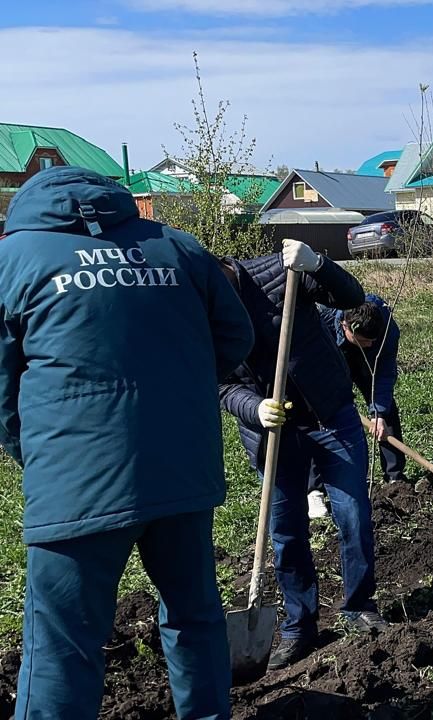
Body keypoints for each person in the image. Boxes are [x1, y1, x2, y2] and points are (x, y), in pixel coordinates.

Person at [0, 167, 254, 718]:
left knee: (62, 644)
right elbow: (236, 337)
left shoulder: (13, 260)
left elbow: (1, 384)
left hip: (75, 482)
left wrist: (32, 453)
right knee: (195, 617)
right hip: (182, 470)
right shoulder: (179, 248)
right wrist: (174, 388)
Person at [218, 239, 387, 670]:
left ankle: (359, 606)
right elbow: (219, 384)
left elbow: (351, 297)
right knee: (286, 532)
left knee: (353, 515)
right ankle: (299, 626)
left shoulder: (280, 273)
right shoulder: (200, 313)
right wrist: (253, 407)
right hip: (272, 435)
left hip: (331, 416)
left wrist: (319, 263)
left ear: (225, 269)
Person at [307, 295, 405, 519]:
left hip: (370, 364)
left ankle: (395, 477)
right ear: (345, 326)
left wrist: (378, 412)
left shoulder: (386, 329)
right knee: (314, 419)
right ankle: (314, 489)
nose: (370, 344)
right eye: (364, 340)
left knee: (386, 410)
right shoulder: (322, 322)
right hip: (329, 362)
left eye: (373, 340)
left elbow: (385, 372)